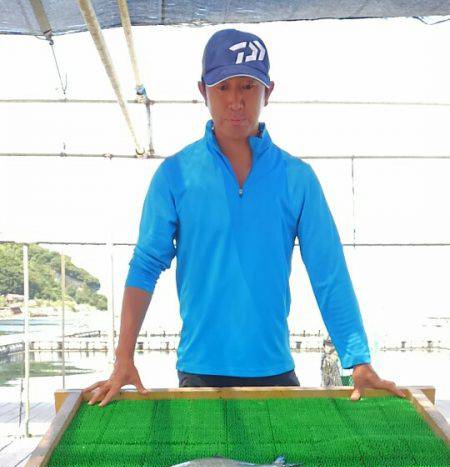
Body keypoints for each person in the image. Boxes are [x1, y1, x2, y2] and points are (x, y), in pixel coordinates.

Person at [86, 28, 404, 406]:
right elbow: (145, 265)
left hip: (276, 372)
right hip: (199, 373)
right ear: (203, 90)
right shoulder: (175, 175)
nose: (235, 100)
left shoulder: (297, 178)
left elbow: (328, 270)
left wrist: (359, 360)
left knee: (288, 466)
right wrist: (123, 357)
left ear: (268, 91)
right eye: (223, 87)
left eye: (247, 86)